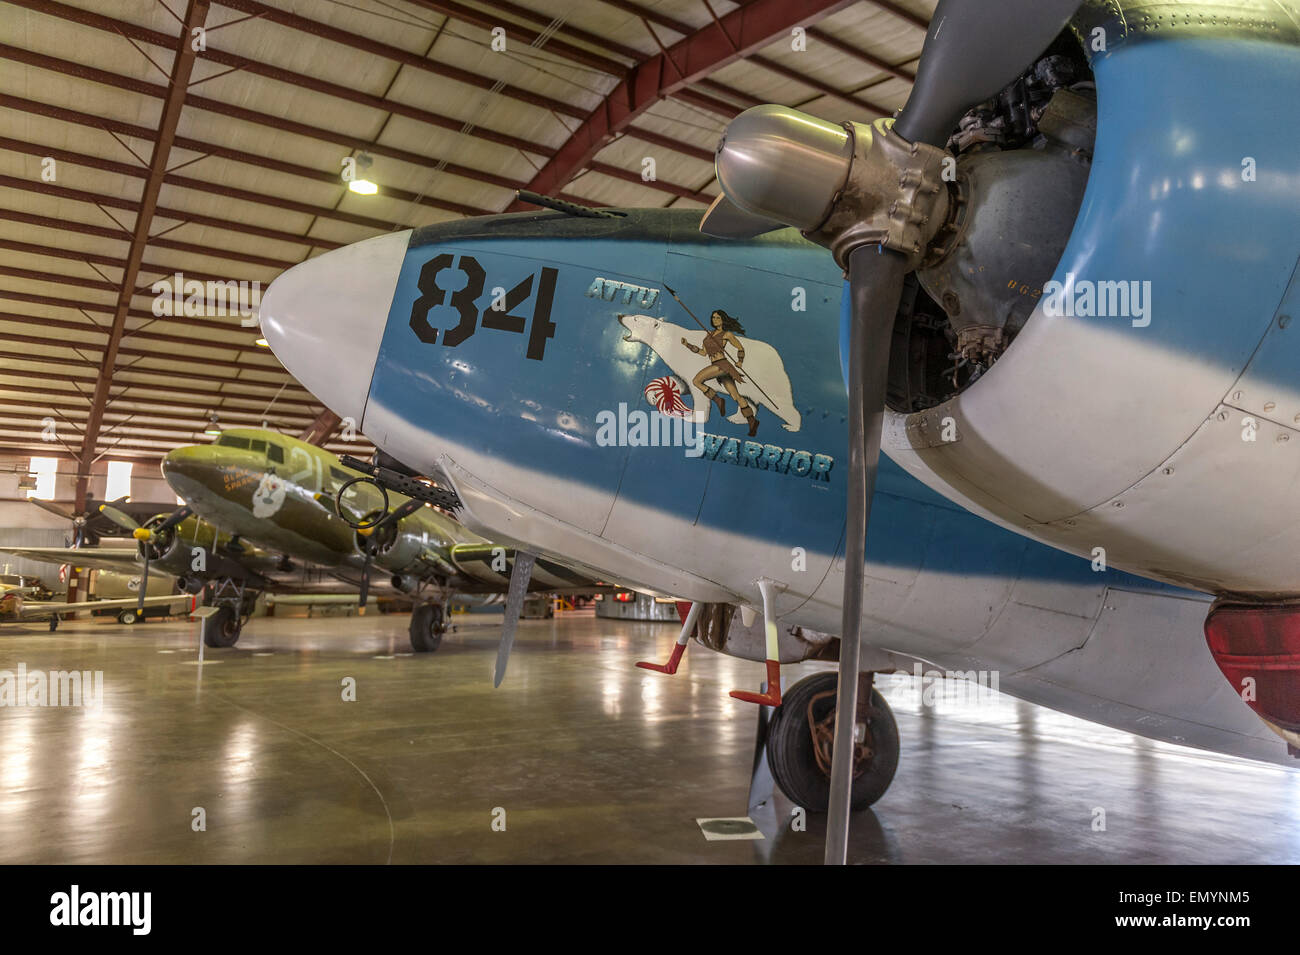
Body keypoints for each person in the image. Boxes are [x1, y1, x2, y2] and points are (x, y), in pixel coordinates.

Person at [681, 309, 759, 437]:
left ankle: (718, 400)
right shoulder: (708, 335)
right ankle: (752, 421)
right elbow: (702, 352)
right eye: (713, 318)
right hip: (716, 366)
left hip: (722, 365)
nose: (714, 320)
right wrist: (688, 345)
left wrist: (740, 361)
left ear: (723, 319)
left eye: (717, 318)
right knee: (736, 397)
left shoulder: (726, 334)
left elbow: (740, 348)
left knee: (696, 381)